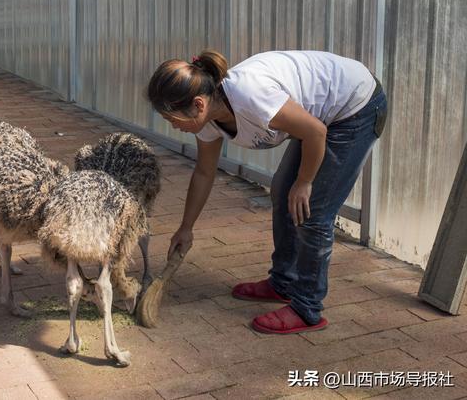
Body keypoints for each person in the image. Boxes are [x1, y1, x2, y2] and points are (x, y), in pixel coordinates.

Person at [146, 50, 387, 334]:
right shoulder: (208, 118)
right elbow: (204, 172)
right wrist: (186, 228)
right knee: (283, 192)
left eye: (172, 118)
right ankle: (283, 282)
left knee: (313, 210)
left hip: (355, 106)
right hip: (321, 117)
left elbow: (315, 132)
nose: (172, 125)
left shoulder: (251, 97)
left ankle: (307, 308)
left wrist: (305, 182)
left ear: (198, 104)